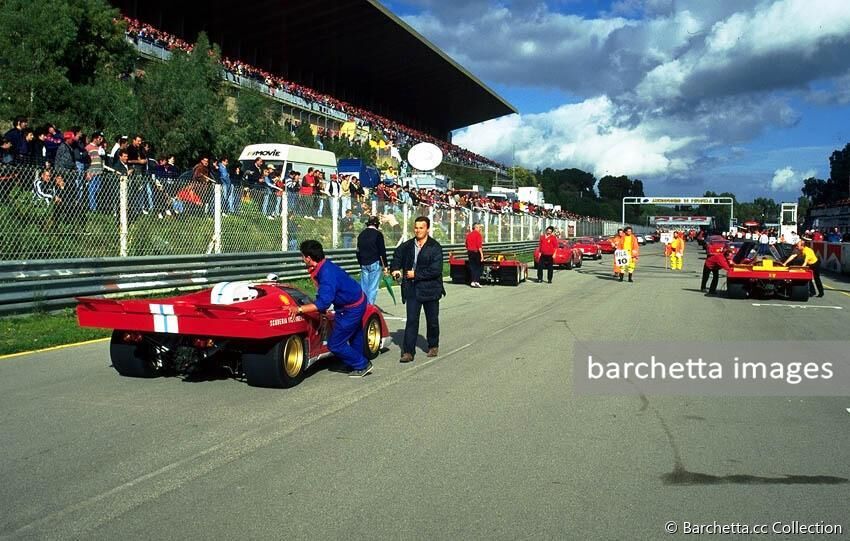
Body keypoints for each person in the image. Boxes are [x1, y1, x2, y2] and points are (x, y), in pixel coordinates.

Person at [295, 240, 373, 377]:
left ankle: (362, 364)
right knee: (355, 334)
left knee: (335, 344)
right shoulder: (324, 266)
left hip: (352, 307)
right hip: (356, 299)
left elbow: (323, 304)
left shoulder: (326, 274)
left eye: (302, 256)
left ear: (308, 258)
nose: (302, 259)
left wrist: (299, 309)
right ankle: (355, 363)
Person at [390, 216, 445, 363]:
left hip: (431, 289)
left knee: (432, 320)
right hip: (412, 288)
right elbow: (397, 256)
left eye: (421, 227)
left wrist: (417, 274)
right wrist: (395, 269)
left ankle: (433, 345)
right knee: (412, 320)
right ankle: (408, 351)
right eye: (416, 227)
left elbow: (436, 270)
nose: (418, 230)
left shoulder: (435, 247)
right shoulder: (407, 245)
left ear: (427, 229)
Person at [357, 215, 388, 306]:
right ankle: (369, 307)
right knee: (372, 287)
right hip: (375, 262)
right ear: (377, 224)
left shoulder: (361, 234)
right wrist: (385, 266)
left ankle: (362, 305)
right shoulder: (378, 234)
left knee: (364, 287)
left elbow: (358, 251)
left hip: (364, 263)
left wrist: (360, 262)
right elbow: (382, 251)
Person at [465, 222, 484, 288]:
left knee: (472, 267)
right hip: (476, 252)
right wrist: (482, 255)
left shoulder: (468, 235)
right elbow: (479, 246)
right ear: (475, 227)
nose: (480, 229)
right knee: (479, 267)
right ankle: (476, 281)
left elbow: (466, 245)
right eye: (479, 227)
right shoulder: (478, 235)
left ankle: (473, 281)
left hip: (470, 252)